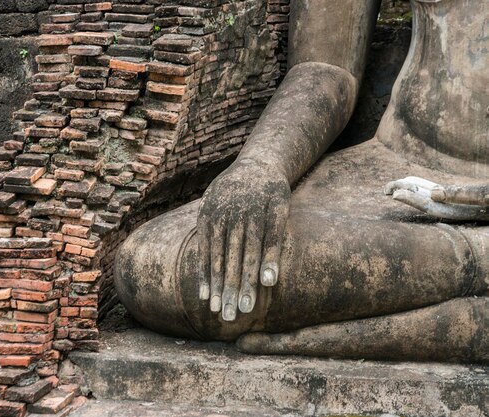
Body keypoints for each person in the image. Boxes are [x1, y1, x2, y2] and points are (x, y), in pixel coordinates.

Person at [114, 0, 488, 363]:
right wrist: (261, 165)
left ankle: (477, 261)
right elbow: (326, 67)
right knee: (161, 264)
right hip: (395, 170)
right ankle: (472, 272)